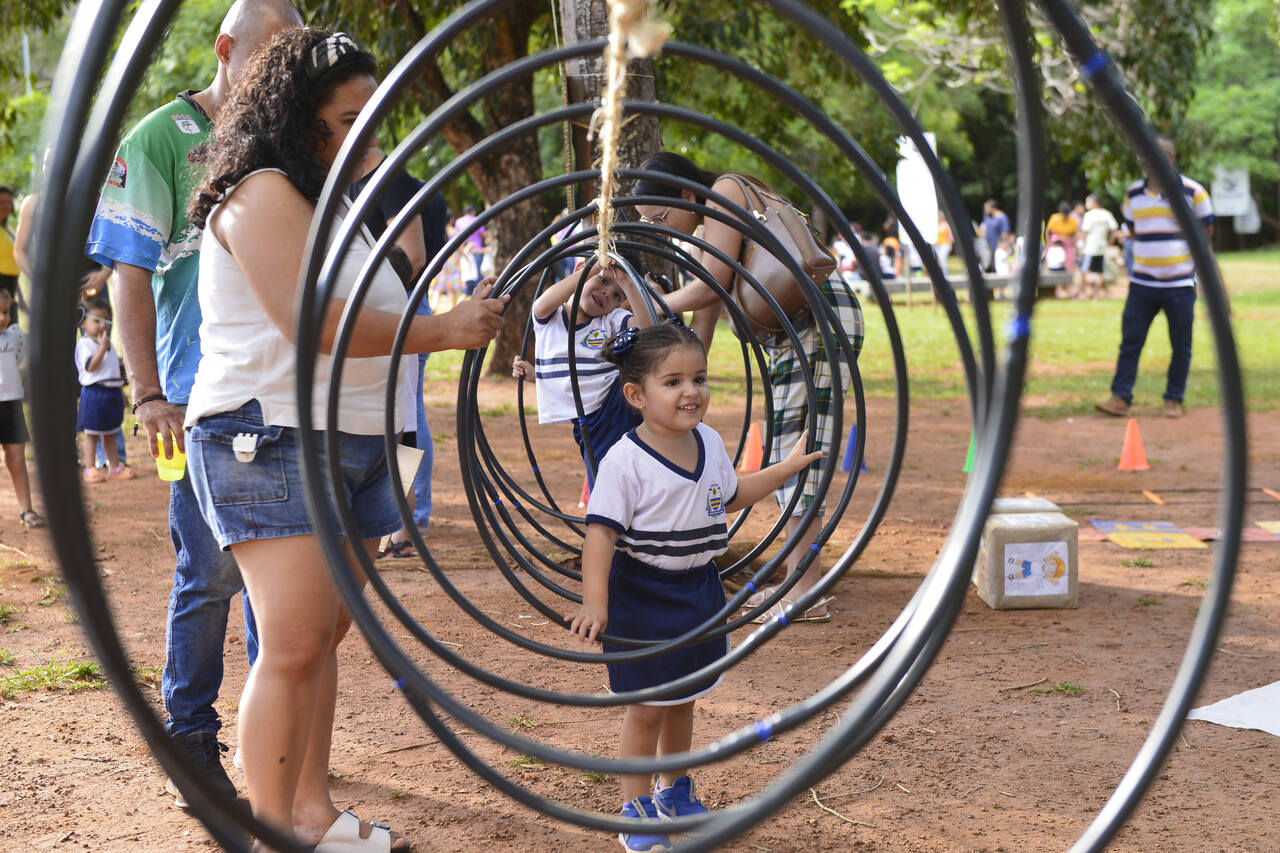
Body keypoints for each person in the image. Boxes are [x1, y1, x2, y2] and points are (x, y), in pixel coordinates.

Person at [183, 28, 506, 851]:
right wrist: (438, 330)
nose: (363, 135)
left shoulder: (333, 198)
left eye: (372, 118)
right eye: (347, 118)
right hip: (272, 433)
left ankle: (312, 812)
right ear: (297, 117)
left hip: (356, 436)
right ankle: (272, 829)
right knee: (291, 643)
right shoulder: (257, 192)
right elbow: (312, 320)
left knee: (320, 636)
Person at [84, 0, 303, 807]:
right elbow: (129, 274)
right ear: (225, 49)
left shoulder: (286, 145)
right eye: (274, 56)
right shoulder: (159, 139)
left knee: (281, 583)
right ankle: (190, 741)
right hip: (195, 400)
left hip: (282, 392)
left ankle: (273, 742)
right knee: (208, 573)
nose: (286, 75)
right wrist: (147, 394)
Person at [567, 323, 824, 853]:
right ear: (636, 395)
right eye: (674, 381)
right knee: (646, 708)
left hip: (699, 592)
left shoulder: (708, 440)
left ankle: (674, 791)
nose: (691, 391)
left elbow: (730, 495)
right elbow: (599, 537)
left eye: (700, 378)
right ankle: (635, 813)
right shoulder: (624, 460)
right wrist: (596, 601)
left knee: (684, 698)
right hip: (642, 596)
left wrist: (784, 470)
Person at [633, 151, 864, 625]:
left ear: (685, 194)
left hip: (814, 323)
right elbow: (705, 321)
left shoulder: (726, 191)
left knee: (798, 448)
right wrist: (683, 378)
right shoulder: (704, 237)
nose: (660, 226)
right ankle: (800, 581)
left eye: (660, 216)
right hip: (791, 331)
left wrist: (653, 305)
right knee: (787, 445)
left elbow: (709, 288)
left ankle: (805, 591)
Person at [346, 145, 448, 558]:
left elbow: (412, 256)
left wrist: (368, 288)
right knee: (399, 419)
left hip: (394, 309)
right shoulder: (364, 184)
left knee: (404, 420)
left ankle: (406, 523)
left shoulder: (389, 183)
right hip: (385, 309)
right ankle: (400, 522)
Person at [511, 252, 655, 483]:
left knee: (615, 476)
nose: (607, 293)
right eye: (603, 280)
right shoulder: (551, 316)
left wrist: (627, 282)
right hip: (587, 421)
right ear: (582, 270)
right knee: (604, 476)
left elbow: (649, 331)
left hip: (615, 404)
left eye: (617, 295)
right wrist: (539, 376)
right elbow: (542, 303)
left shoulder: (611, 320)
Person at [1096, 137, 1213, 420]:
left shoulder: (1194, 192)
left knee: (1181, 345)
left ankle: (1173, 399)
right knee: (1130, 342)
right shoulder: (1132, 194)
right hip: (1143, 283)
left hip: (1180, 283)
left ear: (1171, 159)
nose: (1146, 162)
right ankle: (1120, 397)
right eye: (1144, 156)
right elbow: (1134, 231)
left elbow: (1205, 233)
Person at [75, 298, 134, 482]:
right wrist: (101, 349)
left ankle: (114, 466)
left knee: (110, 431)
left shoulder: (109, 344)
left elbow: (113, 370)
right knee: (92, 434)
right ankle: (90, 468)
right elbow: (91, 367)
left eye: (107, 321)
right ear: (83, 322)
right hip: (94, 393)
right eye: (97, 321)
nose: (103, 325)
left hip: (111, 393)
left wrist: (121, 392)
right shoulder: (84, 344)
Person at [0, 291, 42, 528]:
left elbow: (22, 356)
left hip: (11, 403)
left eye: (5, 312)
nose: (1, 318)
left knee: (17, 459)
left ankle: (26, 509)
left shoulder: (14, 336)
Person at [1079, 194, 1118, 299]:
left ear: (1094, 203)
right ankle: (1096, 295)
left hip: (1090, 247)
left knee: (1084, 271)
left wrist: (1081, 245)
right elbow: (1114, 230)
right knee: (1100, 272)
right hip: (1102, 247)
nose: (1086, 204)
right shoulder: (1107, 214)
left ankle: (1083, 293)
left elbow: (1085, 232)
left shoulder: (1089, 215)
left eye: (1088, 202)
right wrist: (1109, 242)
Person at [453, 203, 485, 295]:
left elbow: (456, 236)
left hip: (464, 251)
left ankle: (467, 292)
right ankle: (478, 294)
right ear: (473, 212)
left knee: (466, 273)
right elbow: (483, 234)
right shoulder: (477, 220)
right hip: (477, 249)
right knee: (477, 275)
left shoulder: (458, 222)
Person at [0, 187, 20, 326]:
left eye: (8, 202)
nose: (6, 206)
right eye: (1, 202)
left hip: (11, 284)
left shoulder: (8, 229)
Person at [981, 199, 1010, 272]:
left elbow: (1005, 233)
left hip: (998, 247)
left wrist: (1005, 246)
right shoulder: (987, 218)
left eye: (987, 208)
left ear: (993, 208)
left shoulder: (1002, 217)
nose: (985, 210)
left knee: (997, 268)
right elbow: (984, 230)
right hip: (988, 246)